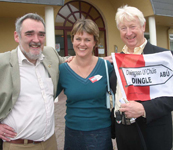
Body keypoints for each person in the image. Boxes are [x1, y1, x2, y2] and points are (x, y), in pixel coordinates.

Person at [0, 13, 70, 150]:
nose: (36, 40)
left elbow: (74, 63)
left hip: (50, 142)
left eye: (41, 34)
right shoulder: (3, 62)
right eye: (29, 34)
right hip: (19, 145)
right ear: (16, 36)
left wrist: (106, 61)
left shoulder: (50, 54)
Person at [110, 5, 173, 150]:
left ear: (143, 26)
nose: (128, 32)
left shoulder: (164, 57)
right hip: (124, 134)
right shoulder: (116, 61)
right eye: (123, 28)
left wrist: (144, 108)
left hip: (153, 133)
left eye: (132, 26)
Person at [57, 19, 113, 150]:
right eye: (78, 39)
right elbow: (47, 97)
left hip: (101, 133)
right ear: (72, 40)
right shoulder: (63, 70)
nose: (82, 44)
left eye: (87, 39)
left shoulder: (106, 67)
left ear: (95, 42)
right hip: (73, 133)